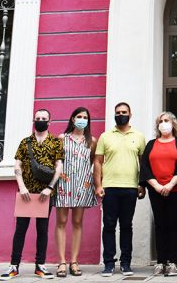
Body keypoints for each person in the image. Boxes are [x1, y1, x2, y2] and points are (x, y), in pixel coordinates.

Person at [0, 109, 63, 281]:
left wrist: (50, 188)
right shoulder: (25, 142)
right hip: (25, 194)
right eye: (38, 118)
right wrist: (21, 187)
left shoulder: (56, 143)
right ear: (33, 120)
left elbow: (59, 167)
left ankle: (40, 266)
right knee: (20, 229)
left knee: (42, 230)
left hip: (45, 194)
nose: (41, 120)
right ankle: (14, 266)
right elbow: (17, 166)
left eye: (44, 118)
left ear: (50, 122)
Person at [94, 102, 146, 277]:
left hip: (130, 188)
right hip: (109, 188)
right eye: (118, 112)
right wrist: (98, 185)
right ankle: (108, 263)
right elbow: (98, 162)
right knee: (108, 226)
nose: (121, 114)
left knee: (126, 226)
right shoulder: (105, 136)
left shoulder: (138, 136)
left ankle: (126, 263)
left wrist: (141, 184)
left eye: (124, 112)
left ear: (130, 115)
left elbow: (142, 163)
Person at [140, 112, 177, 276]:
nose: (163, 123)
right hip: (156, 191)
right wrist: (156, 185)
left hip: (176, 190)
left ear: (173, 123)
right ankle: (161, 261)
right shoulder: (151, 144)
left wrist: (169, 185)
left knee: (174, 225)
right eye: (160, 121)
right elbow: (145, 167)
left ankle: (174, 261)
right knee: (160, 225)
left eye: (166, 120)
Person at [54, 107, 98, 278]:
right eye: (79, 116)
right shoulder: (61, 138)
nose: (82, 119)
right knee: (61, 221)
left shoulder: (92, 141)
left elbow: (94, 161)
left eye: (85, 117)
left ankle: (74, 261)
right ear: (72, 119)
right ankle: (61, 262)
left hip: (82, 185)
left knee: (78, 222)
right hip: (64, 185)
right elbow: (56, 161)